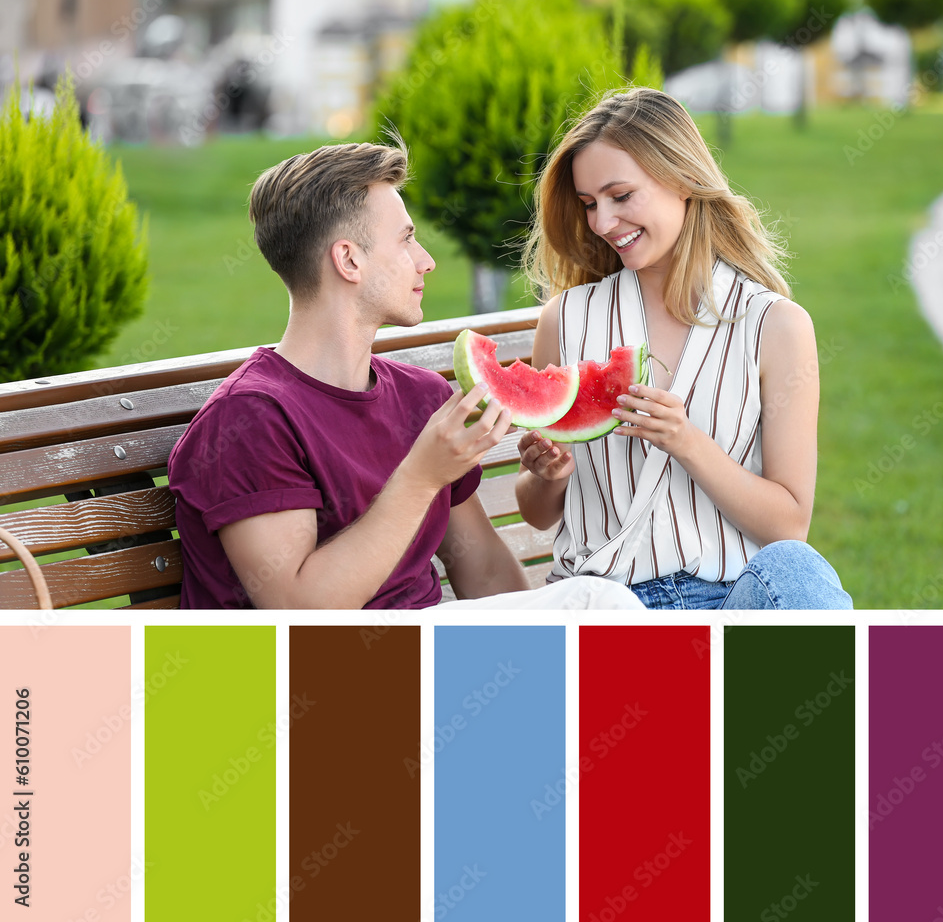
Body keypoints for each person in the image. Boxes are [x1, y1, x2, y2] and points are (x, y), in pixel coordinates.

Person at [168, 139, 643, 611]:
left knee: (597, 611)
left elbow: (484, 568)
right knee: (597, 602)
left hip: (428, 652)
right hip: (306, 676)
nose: (426, 260)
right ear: (349, 260)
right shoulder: (250, 420)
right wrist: (420, 476)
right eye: (406, 239)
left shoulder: (420, 397)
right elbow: (300, 614)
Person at [515, 87, 852, 610]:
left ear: (682, 180)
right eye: (588, 204)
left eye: (621, 196)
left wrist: (686, 441)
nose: (602, 223)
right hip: (601, 606)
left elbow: (790, 524)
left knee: (798, 571)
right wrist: (549, 477)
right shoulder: (567, 319)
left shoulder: (774, 325)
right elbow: (537, 513)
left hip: (728, 602)